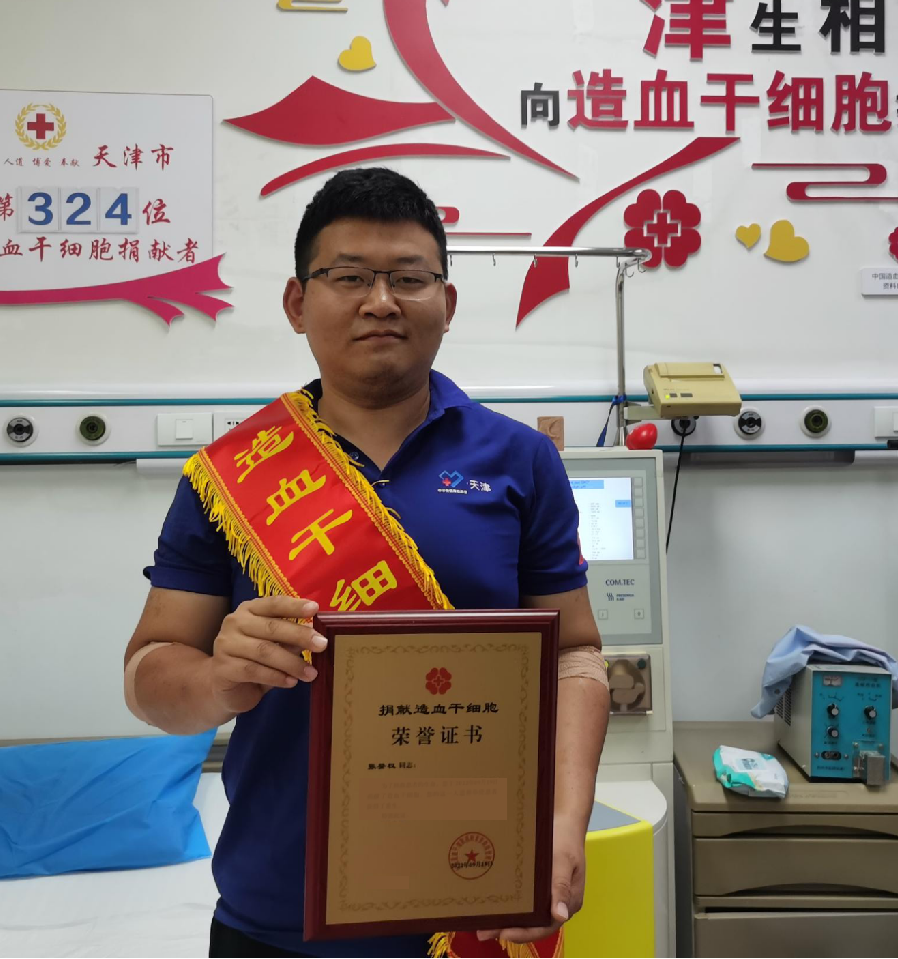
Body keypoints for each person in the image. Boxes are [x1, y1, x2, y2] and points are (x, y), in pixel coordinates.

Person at [123, 168, 610, 959]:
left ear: (446, 303)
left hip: (476, 895)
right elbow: (148, 676)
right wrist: (218, 678)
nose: (380, 301)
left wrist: (562, 824)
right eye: (348, 277)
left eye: (408, 279)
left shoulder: (521, 460)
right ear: (296, 303)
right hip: (276, 914)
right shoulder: (229, 474)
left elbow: (575, 656)